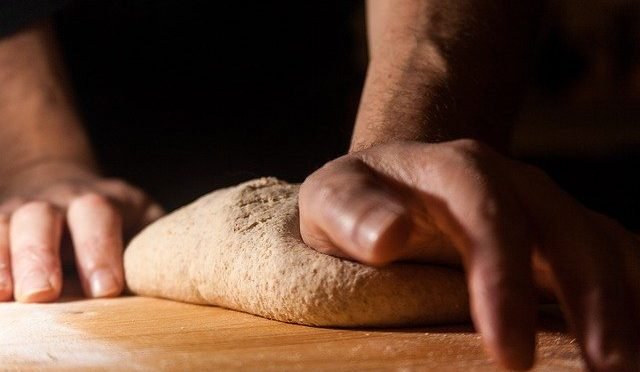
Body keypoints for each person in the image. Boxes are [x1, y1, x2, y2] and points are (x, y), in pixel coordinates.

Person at [0, 1, 637, 370]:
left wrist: (404, 143)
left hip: (322, 145)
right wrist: (40, 161)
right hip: (81, 153)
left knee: (360, 233)